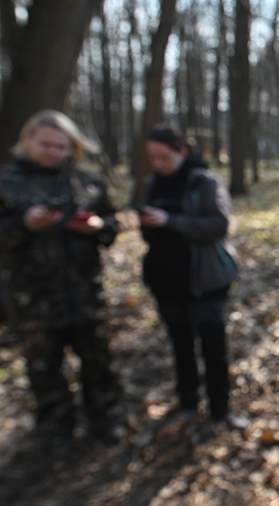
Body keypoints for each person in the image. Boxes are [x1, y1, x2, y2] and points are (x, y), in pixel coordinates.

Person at [0, 110, 123, 447]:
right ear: (27, 142)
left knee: (97, 360)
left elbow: (111, 223)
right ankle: (56, 428)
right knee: (43, 366)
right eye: (46, 145)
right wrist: (23, 226)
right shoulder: (6, 182)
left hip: (84, 291)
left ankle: (105, 418)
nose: (53, 152)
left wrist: (99, 227)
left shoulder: (86, 182)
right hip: (32, 297)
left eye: (61, 146)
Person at [139, 126, 245, 431]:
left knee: (213, 347)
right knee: (180, 345)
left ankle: (220, 410)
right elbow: (146, 233)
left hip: (206, 279)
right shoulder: (152, 185)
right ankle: (187, 403)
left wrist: (171, 221)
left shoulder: (205, 182)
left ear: (182, 151)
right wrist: (149, 223)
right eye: (153, 158)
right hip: (166, 280)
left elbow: (218, 225)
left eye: (165, 157)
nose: (159, 164)